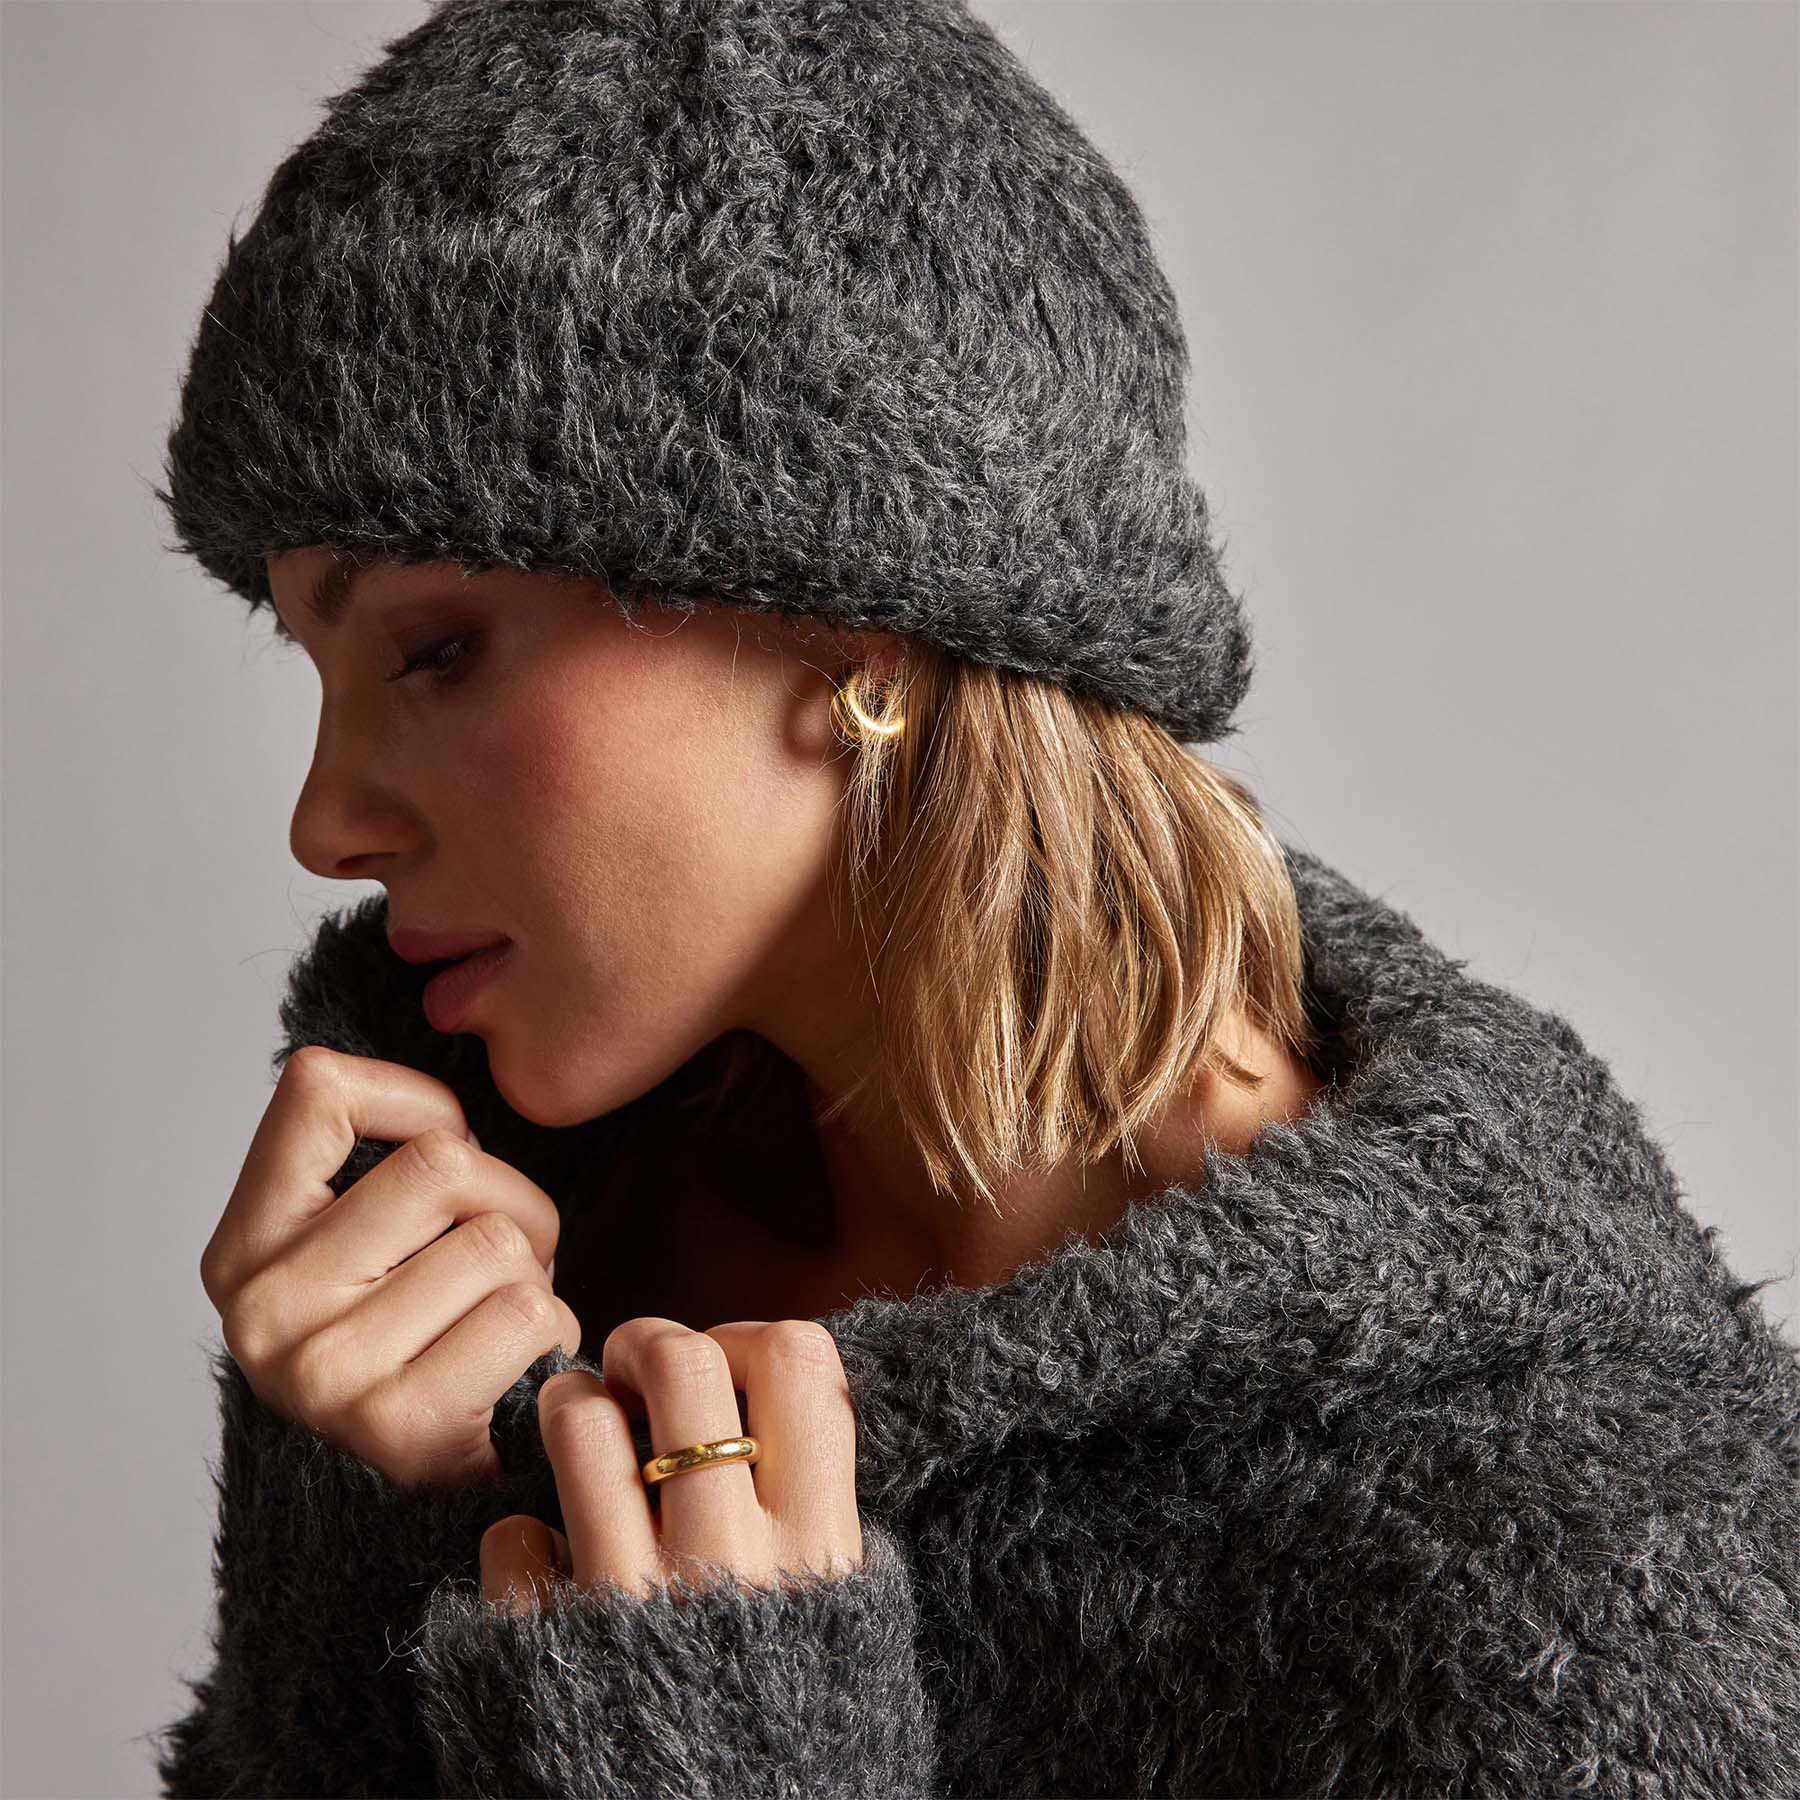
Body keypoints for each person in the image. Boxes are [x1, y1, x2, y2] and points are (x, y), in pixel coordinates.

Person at [150, 3, 1800, 1797]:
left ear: (850, 613)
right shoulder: (513, 1208)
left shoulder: (1576, 1559)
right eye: (314, 665)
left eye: (437, 650)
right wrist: (389, 1499)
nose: (324, 823)